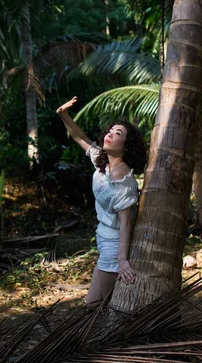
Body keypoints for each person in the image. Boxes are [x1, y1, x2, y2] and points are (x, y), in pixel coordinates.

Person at [56, 96, 147, 309]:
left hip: (114, 246)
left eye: (118, 134)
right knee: (93, 306)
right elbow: (78, 137)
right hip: (103, 238)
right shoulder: (101, 161)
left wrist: (122, 260)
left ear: (126, 145)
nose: (110, 134)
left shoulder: (123, 178)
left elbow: (126, 223)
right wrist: (64, 115)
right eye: (110, 131)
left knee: (104, 307)